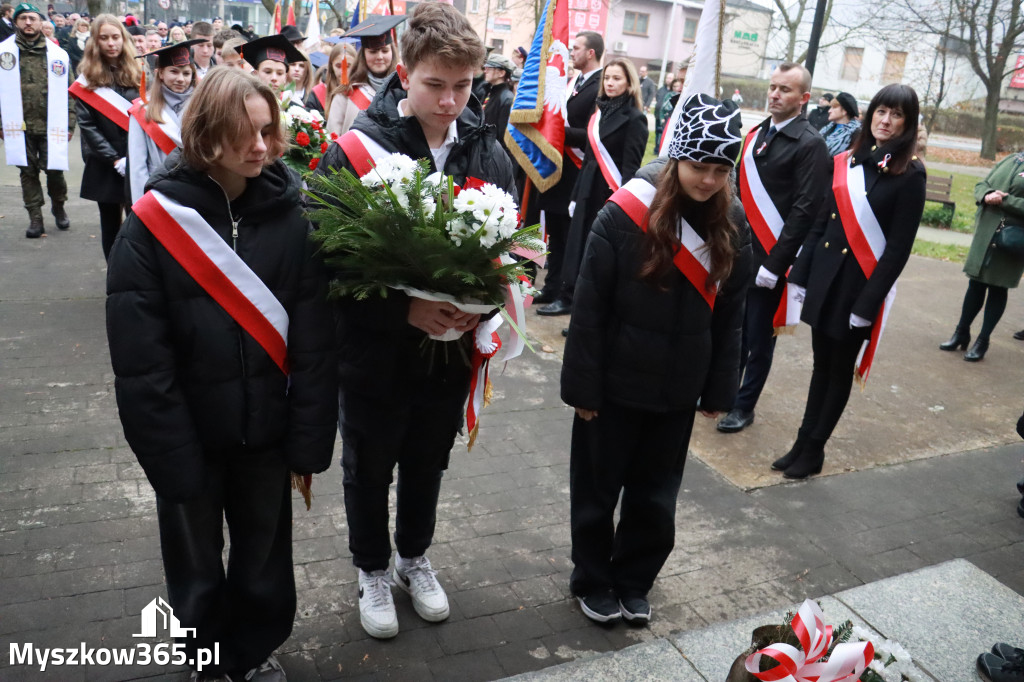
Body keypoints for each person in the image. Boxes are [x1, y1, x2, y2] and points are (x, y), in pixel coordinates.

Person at [107, 66, 337, 682]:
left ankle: (255, 649)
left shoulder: (296, 218)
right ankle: (205, 659)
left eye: (267, 131)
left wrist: (310, 436)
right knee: (196, 568)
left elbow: (315, 341)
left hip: (266, 434)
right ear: (206, 135)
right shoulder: (152, 226)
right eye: (244, 134)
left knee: (263, 561)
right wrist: (169, 454)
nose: (260, 147)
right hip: (192, 438)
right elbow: (140, 363)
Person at [314, 1, 515, 640]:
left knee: (429, 457)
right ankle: (372, 567)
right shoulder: (352, 152)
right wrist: (405, 308)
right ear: (404, 73)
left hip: (450, 351)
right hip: (373, 350)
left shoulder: (486, 149)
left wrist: (485, 303)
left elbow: (514, 248)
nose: (452, 100)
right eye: (436, 84)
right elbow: (324, 261)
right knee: (370, 462)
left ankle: (413, 558)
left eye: (463, 86)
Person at [561, 93, 750, 624]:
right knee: (597, 491)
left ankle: (634, 579)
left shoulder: (731, 222)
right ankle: (592, 579)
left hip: (676, 389)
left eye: (720, 169)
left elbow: (731, 314)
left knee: (655, 495)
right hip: (614, 387)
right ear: (676, 158)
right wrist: (583, 390)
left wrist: (718, 389)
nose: (708, 180)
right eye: (698, 166)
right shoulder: (626, 213)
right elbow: (590, 308)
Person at [778, 84, 926, 479]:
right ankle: (801, 442)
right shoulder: (846, 161)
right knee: (820, 366)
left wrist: (867, 305)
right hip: (827, 280)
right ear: (870, 113)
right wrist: (801, 275)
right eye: (881, 111)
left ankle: (814, 449)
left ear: (907, 124)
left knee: (839, 370)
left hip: (858, 289)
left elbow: (897, 251)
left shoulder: (910, 174)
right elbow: (820, 222)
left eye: (897, 115)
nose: (886, 120)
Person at [716, 62, 829, 434]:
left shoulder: (810, 143)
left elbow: (805, 209)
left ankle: (743, 407)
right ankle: (724, 393)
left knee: (758, 339)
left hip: (769, 258)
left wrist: (776, 264)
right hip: (737, 249)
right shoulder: (757, 134)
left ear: (804, 98)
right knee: (732, 327)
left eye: (785, 89)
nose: (775, 94)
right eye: (772, 87)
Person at [559, 57, 649, 320]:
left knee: (600, 256)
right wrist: (576, 195)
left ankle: (592, 314)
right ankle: (573, 304)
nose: (610, 83)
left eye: (617, 78)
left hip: (609, 195)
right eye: (607, 78)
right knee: (579, 250)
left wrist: (623, 205)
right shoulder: (598, 112)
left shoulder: (635, 118)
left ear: (629, 82)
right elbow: (588, 157)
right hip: (587, 190)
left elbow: (631, 167)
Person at [534, 30, 602, 313]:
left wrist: (558, 131)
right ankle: (551, 288)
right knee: (556, 235)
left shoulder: (600, 85)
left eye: (576, 49)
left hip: (578, 170)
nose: (571, 53)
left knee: (570, 236)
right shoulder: (574, 81)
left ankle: (567, 294)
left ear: (591, 53)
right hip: (559, 169)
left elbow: (592, 132)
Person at [939, 150, 1024, 361]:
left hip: (1012, 238)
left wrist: (1005, 200)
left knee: (998, 287)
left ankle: (983, 341)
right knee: (975, 284)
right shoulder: (1013, 159)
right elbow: (981, 184)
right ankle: (961, 333)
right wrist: (986, 196)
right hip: (986, 233)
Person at [0, 1, 75, 238]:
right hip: (19, 127)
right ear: (16, 22)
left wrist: (70, 123)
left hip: (51, 124)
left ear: (42, 22)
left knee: (55, 172)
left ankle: (59, 206)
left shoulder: (58, 55)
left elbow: (70, 91)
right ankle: (35, 217)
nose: (28, 22)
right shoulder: (4, 53)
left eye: (33, 18)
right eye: (23, 18)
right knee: (27, 173)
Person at [70, 13, 139, 259]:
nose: (111, 43)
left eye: (116, 37)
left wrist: (135, 157)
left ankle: (136, 273)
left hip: (136, 161)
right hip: (105, 163)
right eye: (104, 38)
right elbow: (87, 126)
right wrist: (114, 159)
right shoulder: (87, 78)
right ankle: (114, 275)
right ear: (95, 42)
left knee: (139, 223)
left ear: (124, 38)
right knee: (110, 224)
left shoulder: (139, 70)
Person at [126, 40, 198, 203]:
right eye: (174, 71)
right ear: (160, 73)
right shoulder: (142, 110)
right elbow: (138, 168)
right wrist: (142, 206)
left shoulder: (202, 107)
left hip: (194, 191)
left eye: (186, 73)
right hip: (157, 192)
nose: (181, 79)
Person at [324, 14, 405, 137]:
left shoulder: (405, 89)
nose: (379, 56)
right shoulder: (346, 92)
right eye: (373, 51)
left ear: (392, 52)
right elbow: (332, 139)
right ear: (363, 54)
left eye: (385, 51)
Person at [240, 33, 305, 97]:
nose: (274, 78)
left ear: (285, 77)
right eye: (268, 72)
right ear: (255, 74)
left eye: (279, 73)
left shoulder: (293, 105)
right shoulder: (243, 102)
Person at [480, 52, 515, 159]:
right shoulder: (488, 92)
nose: (485, 70)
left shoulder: (507, 98)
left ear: (501, 73)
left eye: (490, 68)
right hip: (482, 151)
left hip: (492, 156)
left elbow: (503, 137)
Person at [818, 91, 860, 156]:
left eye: (834, 107)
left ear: (844, 111)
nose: (829, 111)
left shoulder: (855, 133)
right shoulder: (828, 127)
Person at [315, 41, 351, 114]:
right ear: (331, 66)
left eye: (347, 66)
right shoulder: (317, 93)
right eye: (338, 66)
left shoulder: (365, 92)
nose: (343, 71)